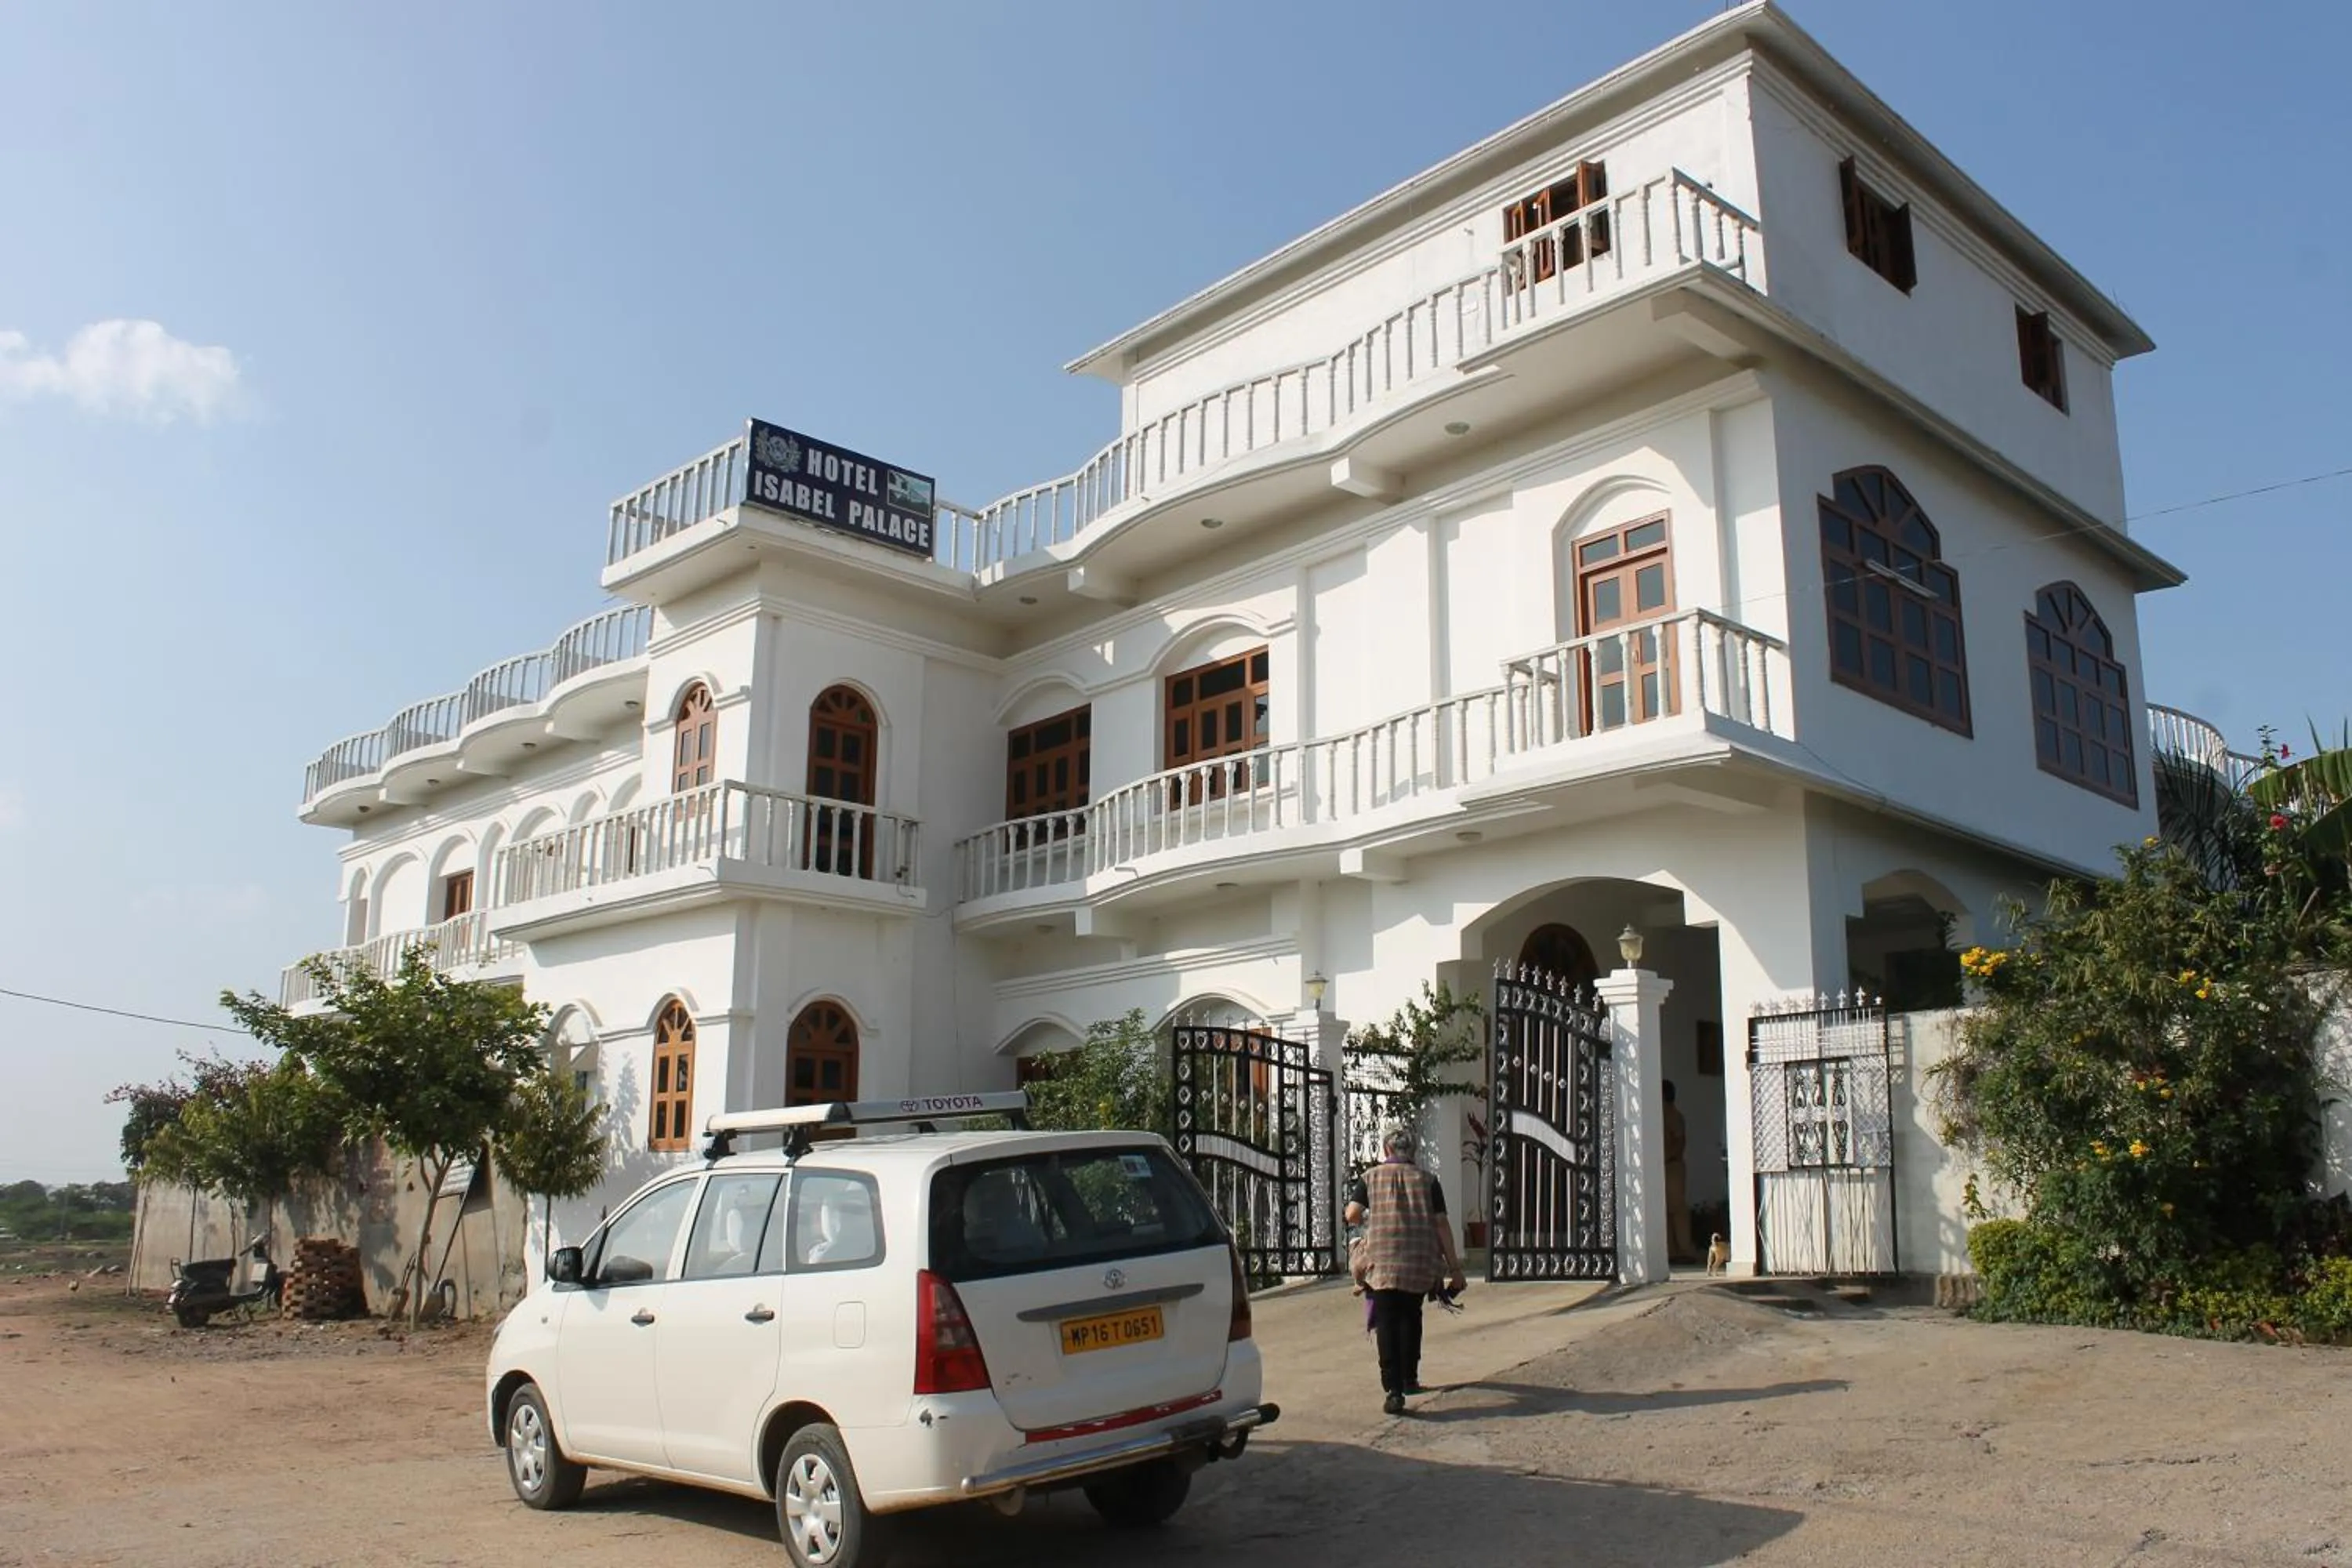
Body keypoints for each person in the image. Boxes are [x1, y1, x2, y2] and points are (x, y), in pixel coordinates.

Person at [1345, 1125, 1466, 1414]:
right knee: (1411, 1317)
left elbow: (1352, 1214)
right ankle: (1410, 1378)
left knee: (1386, 1321)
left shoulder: (1370, 1177)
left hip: (1381, 1263)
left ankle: (1394, 1390)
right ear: (1413, 1152)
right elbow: (1441, 1225)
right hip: (1418, 1261)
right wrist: (1454, 1268)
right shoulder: (1428, 1180)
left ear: (1387, 1150)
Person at [1664, 1079, 1696, 1265]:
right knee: (1665, 1209)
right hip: (1666, 1165)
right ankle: (1671, 1251)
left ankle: (1685, 1249)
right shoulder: (1663, 1114)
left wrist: (1667, 1157)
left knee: (1676, 1208)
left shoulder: (1673, 1115)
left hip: (1672, 1166)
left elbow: (1679, 1142)